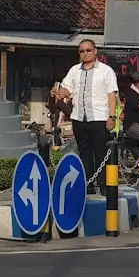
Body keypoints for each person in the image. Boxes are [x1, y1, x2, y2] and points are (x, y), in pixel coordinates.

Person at [51, 39, 119, 194]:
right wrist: (61, 92)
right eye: (82, 51)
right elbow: (67, 88)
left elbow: (111, 95)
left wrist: (111, 117)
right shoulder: (74, 70)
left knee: (101, 153)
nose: (85, 54)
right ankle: (88, 185)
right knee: (84, 153)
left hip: (99, 118)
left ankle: (104, 186)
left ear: (95, 51)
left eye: (88, 50)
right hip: (79, 118)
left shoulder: (106, 71)